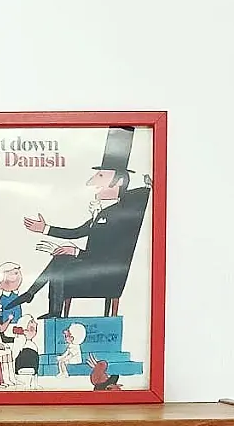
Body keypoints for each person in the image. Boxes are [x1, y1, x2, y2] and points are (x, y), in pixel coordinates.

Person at [17, 126, 150, 317]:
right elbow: (77, 232)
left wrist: (76, 251)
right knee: (60, 258)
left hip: (105, 274)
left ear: (119, 182)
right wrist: (45, 228)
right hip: (93, 265)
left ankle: (38, 299)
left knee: (62, 261)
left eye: (101, 176)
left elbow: (110, 256)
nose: (91, 182)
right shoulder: (107, 212)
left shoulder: (121, 215)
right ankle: (41, 301)